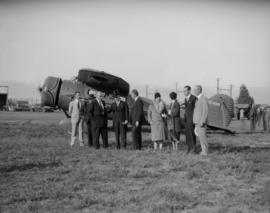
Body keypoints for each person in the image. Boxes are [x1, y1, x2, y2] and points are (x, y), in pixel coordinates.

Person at [193, 85, 209, 156]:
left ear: (199, 90)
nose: (194, 91)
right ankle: (203, 151)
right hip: (197, 122)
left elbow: (205, 111)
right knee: (200, 137)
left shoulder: (204, 99)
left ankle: (205, 152)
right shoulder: (198, 99)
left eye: (195, 90)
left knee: (203, 137)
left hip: (201, 122)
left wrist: (203, 121)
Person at [183, 86, 197, 153]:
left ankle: (193, 148)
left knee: (191, 134)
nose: (184, 92)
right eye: (183, 91)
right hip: (186, 120)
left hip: (192, 119)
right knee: (188, 134)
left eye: (185, 90)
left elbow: (196, 109)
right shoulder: (186, 99)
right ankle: (189, 148)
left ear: (189, 91)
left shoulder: (194, 98)